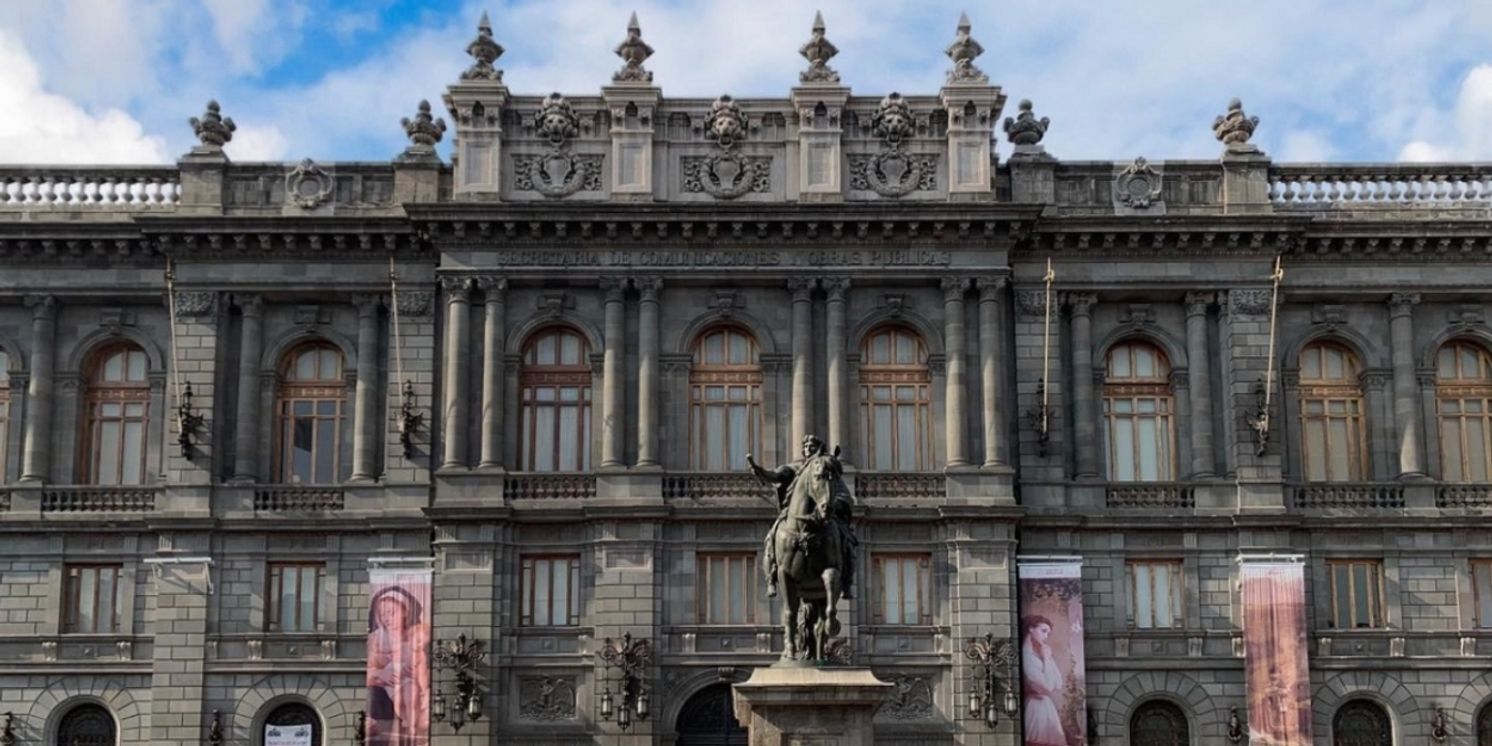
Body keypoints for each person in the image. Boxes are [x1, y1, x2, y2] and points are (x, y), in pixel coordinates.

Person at [748, 434, 858, 600]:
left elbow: (843, 495)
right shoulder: (795, 468)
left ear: (818, 449)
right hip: (794, 516)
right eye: (805, 446)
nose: (808, 449)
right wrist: (760, 470)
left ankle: (847, 582)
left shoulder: (827, 469)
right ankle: (771, 577)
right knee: (771, 539)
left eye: (812, 446)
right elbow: (775, 476)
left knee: (847, 541)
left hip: (826, 515)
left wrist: (833, 505)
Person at [367, 585, 429, 746]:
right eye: (383, 614)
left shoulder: (415, 636)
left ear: (405, 612)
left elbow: (421, 665)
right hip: (386, 685)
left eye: (392, 612)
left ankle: (411, 726)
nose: (387, 618)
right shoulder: (376, 638)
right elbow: (369, 669)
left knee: (412, 692)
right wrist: (380, 674)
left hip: (407, 683)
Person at [1021, 614, 1067, 746]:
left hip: (1046, 706)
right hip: (1036, 708)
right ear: (1031, 629)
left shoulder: (1041, 653)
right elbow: (1047, 686)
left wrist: (1048, 659)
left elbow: (1058, 682)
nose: (1046, 636)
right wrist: (1047, 659)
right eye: (1043, 631)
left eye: (1048, 633)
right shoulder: (1026, 656)